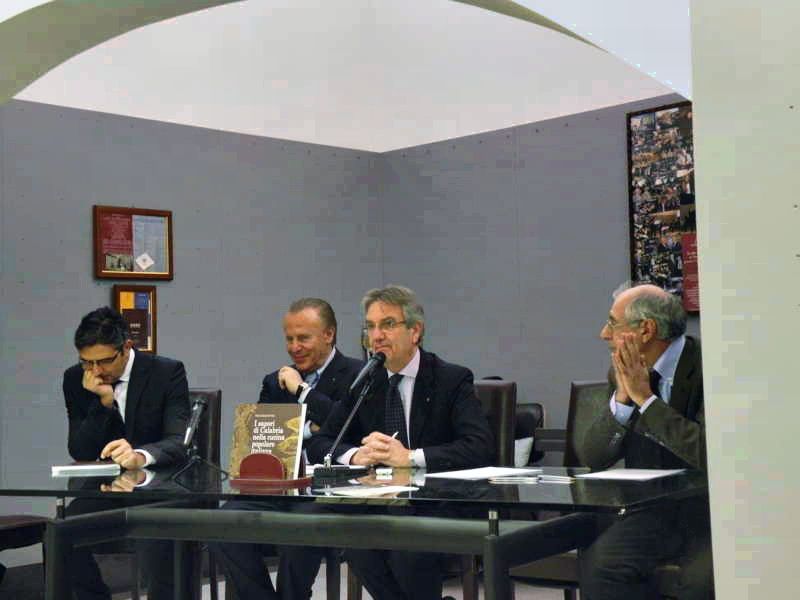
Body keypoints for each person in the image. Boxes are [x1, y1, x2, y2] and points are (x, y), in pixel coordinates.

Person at [304, 284, 494, 600]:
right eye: (370, 327)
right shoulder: (366, 381)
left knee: (405, 541)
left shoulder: (451, 379)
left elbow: (479, 446)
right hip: (382, 501)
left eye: (388, 324)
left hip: (439, 501)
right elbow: (321, 442)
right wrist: (355, 455)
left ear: (415, 331)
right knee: (352, 536)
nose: (376, 336)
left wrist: (411, 457)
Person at [209, 297, 363, 600]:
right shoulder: (274, 382)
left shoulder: (357, 376)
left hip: (329, 492)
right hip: (278, 488)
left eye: (303, 338)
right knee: (221, 524)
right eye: (289, 339)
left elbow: (347, 427)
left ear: (328, 334)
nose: (294, 347)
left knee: (297, 531)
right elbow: (263, 437)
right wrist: (308, 428)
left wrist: (302, 392)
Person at [577, 284, 713, 599]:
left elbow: (709, 452)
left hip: (709, 510)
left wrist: (646, 401)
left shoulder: (710, 366)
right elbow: (594, 456)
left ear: (646, 330)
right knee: (600, 569)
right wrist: (624, 399)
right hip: (653, 510)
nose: (603, 334)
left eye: (613, 323)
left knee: (699, 584)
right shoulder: (624, 372)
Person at [62, 306, 190, 600]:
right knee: (60, 533)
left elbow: (178, 441)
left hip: (159, 490)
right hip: (106, 489)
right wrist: (102, 404)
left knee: (155, 538)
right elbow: (79, 450)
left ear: (127, 347)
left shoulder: (166, 372)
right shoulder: (75, 379)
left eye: (104, 361)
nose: (96, 371)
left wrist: (140, 455)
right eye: (87, 362)